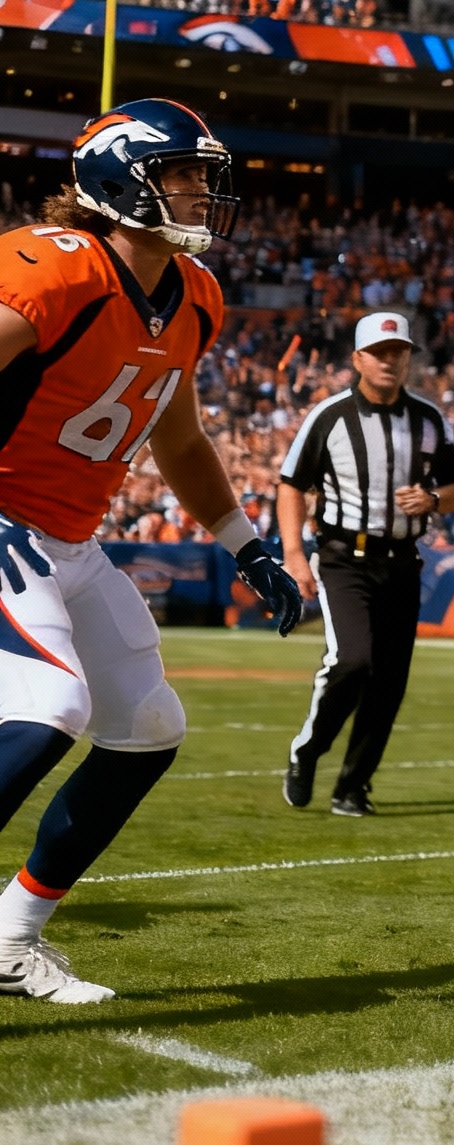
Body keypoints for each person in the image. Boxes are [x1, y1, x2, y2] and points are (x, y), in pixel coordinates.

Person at [0, 102, 300, 1002]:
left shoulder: (194, 295)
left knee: (147, 730)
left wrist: (246, 546)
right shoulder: (52, 270)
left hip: (70, 540)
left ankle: (11, 937)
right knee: (52, 703)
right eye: (180, 173)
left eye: (205, 176)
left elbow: (180, 440)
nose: (200, 192)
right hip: (5, 523)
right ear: (119, 182)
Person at [276, 312, 454, 816]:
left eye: (398, 352)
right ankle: (308, 750)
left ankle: (352, 787)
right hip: (344, 558)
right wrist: (294, 554)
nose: (389, 361)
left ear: (408, 358)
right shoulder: (330, 416)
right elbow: (291, 483)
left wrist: (431, 500)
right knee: (352, 661)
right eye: (379, 353)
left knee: (388, 682)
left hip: (403, 562)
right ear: (358, 359)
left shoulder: (428, 418)